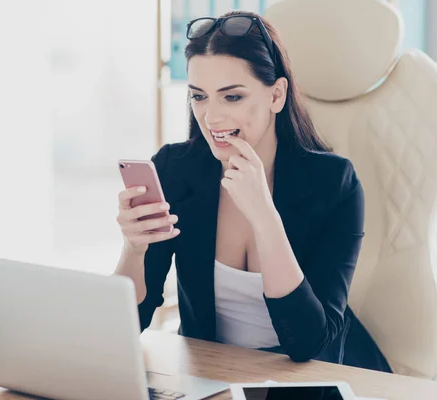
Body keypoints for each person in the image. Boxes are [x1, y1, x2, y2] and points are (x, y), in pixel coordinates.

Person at [114, 10, 391, 372]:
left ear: (277, 95)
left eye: (231, 98)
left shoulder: (335, 184)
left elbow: (307, 343)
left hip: (310, 381)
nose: (211, 118)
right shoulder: (175, 170)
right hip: (213, 374)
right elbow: (128, 325)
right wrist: (133, 251)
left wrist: (264, 216)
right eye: (199, 96)